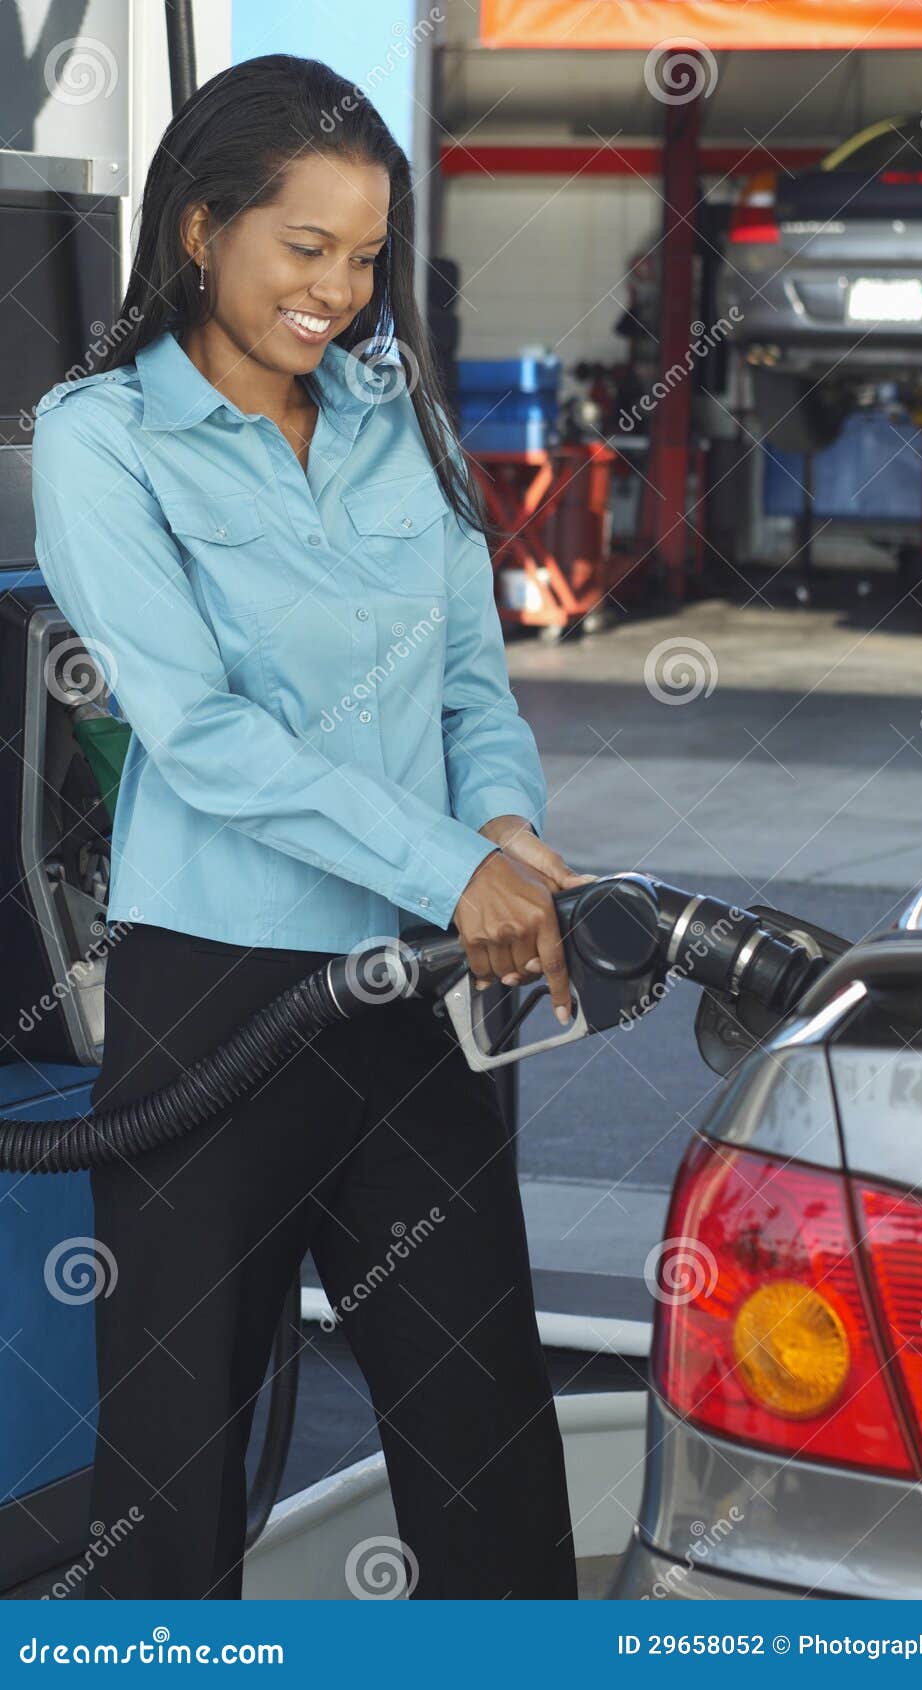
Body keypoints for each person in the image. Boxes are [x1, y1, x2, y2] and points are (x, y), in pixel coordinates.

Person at [30, 53, 587, 1601]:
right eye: (305, 248)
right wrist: (450, 865)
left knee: (489, 1446)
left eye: (363, 256)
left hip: (415, 995)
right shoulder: (102, 438)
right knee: (173, 1485)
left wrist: (505, 826)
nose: (337, 292)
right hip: (216, 998)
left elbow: (472, 676)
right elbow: (200, 733)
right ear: (203, 228)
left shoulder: (389, 411)